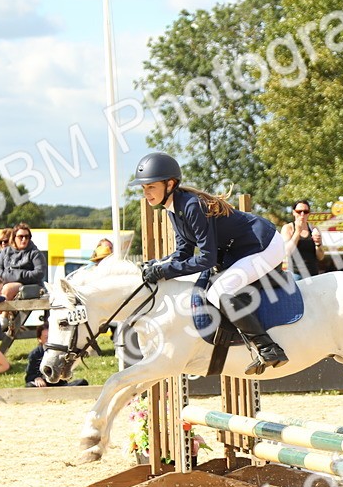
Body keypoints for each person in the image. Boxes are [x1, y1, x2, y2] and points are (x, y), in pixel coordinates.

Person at [133, 151, 289, 375]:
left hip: (263, 245)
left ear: (170, 184)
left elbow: (207, 258)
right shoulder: (173, 209)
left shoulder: (191, 206)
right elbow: (184, 252)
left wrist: (165, 270)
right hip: (240, 250)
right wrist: (159, 265)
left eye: (151, 187)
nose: (146, 193)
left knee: (220, 291)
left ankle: (268, 348)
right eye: (144, 188)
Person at [0, 222, 47, 301]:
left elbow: (39, 273)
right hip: (5, 282)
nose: (24, 239)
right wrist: (8, 276)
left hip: (29, 286)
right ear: (14, 237)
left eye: (27, 237)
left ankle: (4, 309)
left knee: (8, 289)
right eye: (21, 237)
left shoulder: (35, 253)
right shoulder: (5, 252)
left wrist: (18, 275)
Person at [25, 323, 89, 387]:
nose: (49, 340)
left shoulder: (60, 352)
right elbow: (30, 375)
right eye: (46, 338)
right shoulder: (35, 353)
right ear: (39, 339)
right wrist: (37, 378)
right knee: (30, 386)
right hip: (43, 385)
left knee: (82, 382)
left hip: (60, 385)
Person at [281, 199, 324, 279]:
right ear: (294, 212)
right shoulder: (288, 228)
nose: (302, 214)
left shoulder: (313, 229)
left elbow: (321, 257)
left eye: (305, 212)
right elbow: (287, 252)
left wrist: (318, 244)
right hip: (295, 274)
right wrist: (297, 232)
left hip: (313, 274)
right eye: (299, 211)